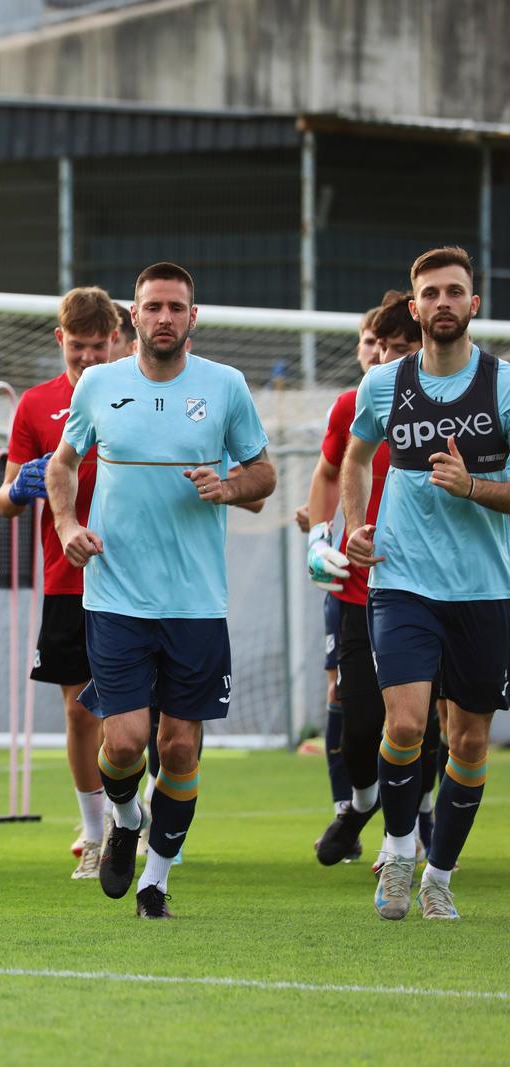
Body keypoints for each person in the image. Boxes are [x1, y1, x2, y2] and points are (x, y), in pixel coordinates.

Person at [47, 261, 275, 919]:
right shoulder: (98, 383)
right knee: (122, 743)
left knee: (177, 746)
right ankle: (125, 818)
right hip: (116, 596)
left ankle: (155, 881)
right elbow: (62, 464)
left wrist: (227, 486)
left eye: (177, 307)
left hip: (196, 603)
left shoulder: (225, 386)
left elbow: (263, 474)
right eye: (153, 307)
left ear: (193, 317)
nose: (165, 317)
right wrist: (67, 525)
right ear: (134, 316)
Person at [339, 246, 509, 921]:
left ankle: (439, 875)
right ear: (414, 308)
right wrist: (355, 524)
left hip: (485, 588)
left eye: (454, 291)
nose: (443, 302)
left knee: (467, 740)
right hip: (402, 580)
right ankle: (399, 850)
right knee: (406, 723)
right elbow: (355, 457)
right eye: (431, 293)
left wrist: (472, 487)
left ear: (474, 304)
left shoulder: (503, 385)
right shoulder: (382, 385)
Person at [0, 286, 121, 879]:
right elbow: (3, 501)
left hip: (136, 579)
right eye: (78, 347)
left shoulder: (135, 393)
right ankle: (95, 833)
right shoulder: (36, 404)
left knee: (135, 714)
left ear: (116, 340)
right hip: (67, 580)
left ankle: (131, 817)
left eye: (98, 346)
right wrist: (19, 488)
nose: (89, 358)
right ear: (60, 340)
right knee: (78, 713)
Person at [300, 292, 414, 866]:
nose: (386, 358)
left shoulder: (462, 405)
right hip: (358, 592)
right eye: (381, 346)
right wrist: (319, 539)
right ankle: (359, 806)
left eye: (400, 348)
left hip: (430, 592)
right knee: (361, 722)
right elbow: (328, 472)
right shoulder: (355, 403)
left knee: (419, 721)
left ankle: (404, 838)